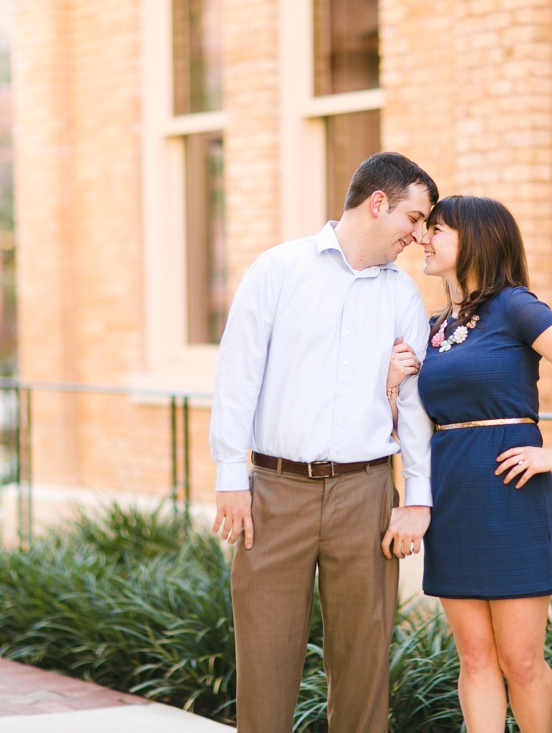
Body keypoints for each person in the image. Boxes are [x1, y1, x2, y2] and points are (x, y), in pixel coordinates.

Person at [208, 152, 439, 733]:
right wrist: (231, 477)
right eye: (414, 218)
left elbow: (411, 407)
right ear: (378, 203)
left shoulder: (403, 296)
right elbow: (237, 377)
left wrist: (416, 497)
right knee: (265, 661)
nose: (419, 235)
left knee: (363, 666)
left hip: (366, 495)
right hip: (274, 494)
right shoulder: (279, 270)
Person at [394, 195, 552, 733]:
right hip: (453, 494)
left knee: (520, 660)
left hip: (510, 493)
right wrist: (393, 379)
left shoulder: (515, 306)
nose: (423, 237)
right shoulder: (434, 326)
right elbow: (413, 418)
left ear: (476, 239)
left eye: (437, 229)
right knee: (474, 657)